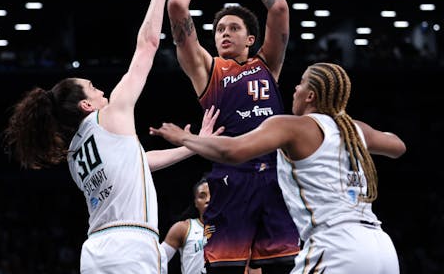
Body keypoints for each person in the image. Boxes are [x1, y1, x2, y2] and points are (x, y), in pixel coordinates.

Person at [0, 0, 225, 274]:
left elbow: (137, 164)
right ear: (86, 104)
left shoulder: (76, 153)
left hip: (95, 251)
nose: (102, 89)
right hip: (131, 247)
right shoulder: (110, 115)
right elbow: (147, 44)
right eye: (93, 88)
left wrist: (192, 146)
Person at [150, 62, 407, 274]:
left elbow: (233, 151)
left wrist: (185, 138)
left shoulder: (293, 126)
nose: (295, 88)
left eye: (302, 82)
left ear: (310, 95)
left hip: (336, 247)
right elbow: (398, 146)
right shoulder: (354, 130)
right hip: (381, 247)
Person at [167, 0, 299, 273]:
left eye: (233, 28)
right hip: (230, 179)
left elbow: (281, 8)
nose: (224, 33)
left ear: (250, 38)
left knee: (283, 268)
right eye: (220, 29)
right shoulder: (207, 70)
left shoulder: (266, 64)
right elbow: (179, 7)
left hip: (276, 177)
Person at [160, 177, 210, 274]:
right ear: (195, 202)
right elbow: (157, 261)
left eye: (212, 195)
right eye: (202, 196)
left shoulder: (232, 231)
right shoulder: (183, 229)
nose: (208, 200)